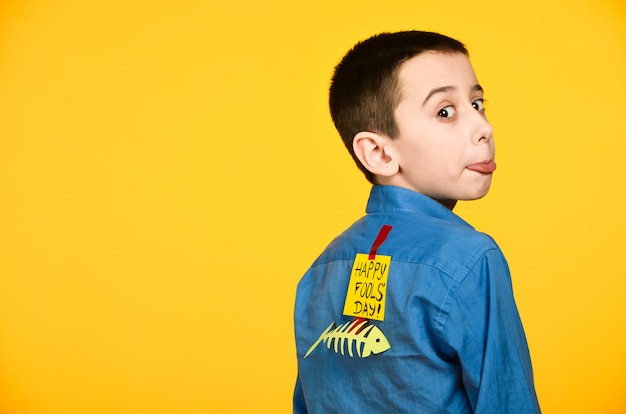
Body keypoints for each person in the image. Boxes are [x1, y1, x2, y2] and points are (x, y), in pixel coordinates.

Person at [293, 31, 541, 413]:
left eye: (477, 103)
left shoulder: (321, 269)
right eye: (445, 111)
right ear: (377, 152)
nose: (483, 128)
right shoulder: (470, 258)